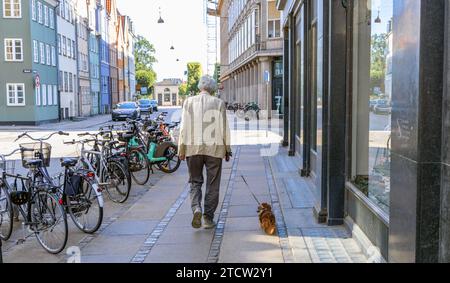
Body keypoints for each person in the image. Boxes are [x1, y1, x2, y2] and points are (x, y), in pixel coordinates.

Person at [178, 76, 232, 229]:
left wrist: (181, 149)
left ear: (199, 86)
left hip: (192, 148)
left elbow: (183, 128)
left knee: (195, 181)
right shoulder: (219, 103)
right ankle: (208, 218)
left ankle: (196, 208)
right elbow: (224, 128)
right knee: (213, 184)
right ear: (213, 88)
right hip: (214, 150)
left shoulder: (188, 102)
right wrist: (227, 149)